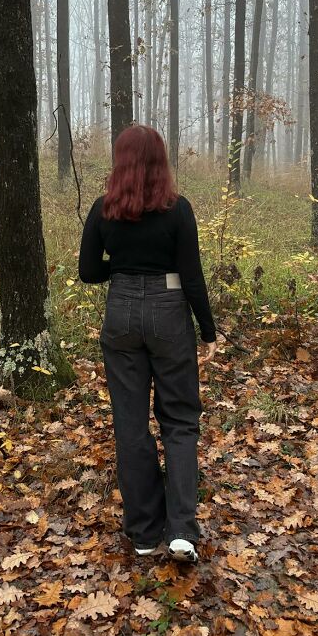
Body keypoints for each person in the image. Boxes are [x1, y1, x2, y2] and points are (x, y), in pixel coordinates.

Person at [78, 124, 217, 564]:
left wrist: (121, 269)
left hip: (120, 313)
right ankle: (181, 532)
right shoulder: (179, 211)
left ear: (120, 162)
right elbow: (191, 276)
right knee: (179, 420)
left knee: (131, 424)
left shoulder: (103, 210)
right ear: (161, 162)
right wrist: (209, 331)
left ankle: (142, 532)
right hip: (169, 312)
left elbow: (87, 271)